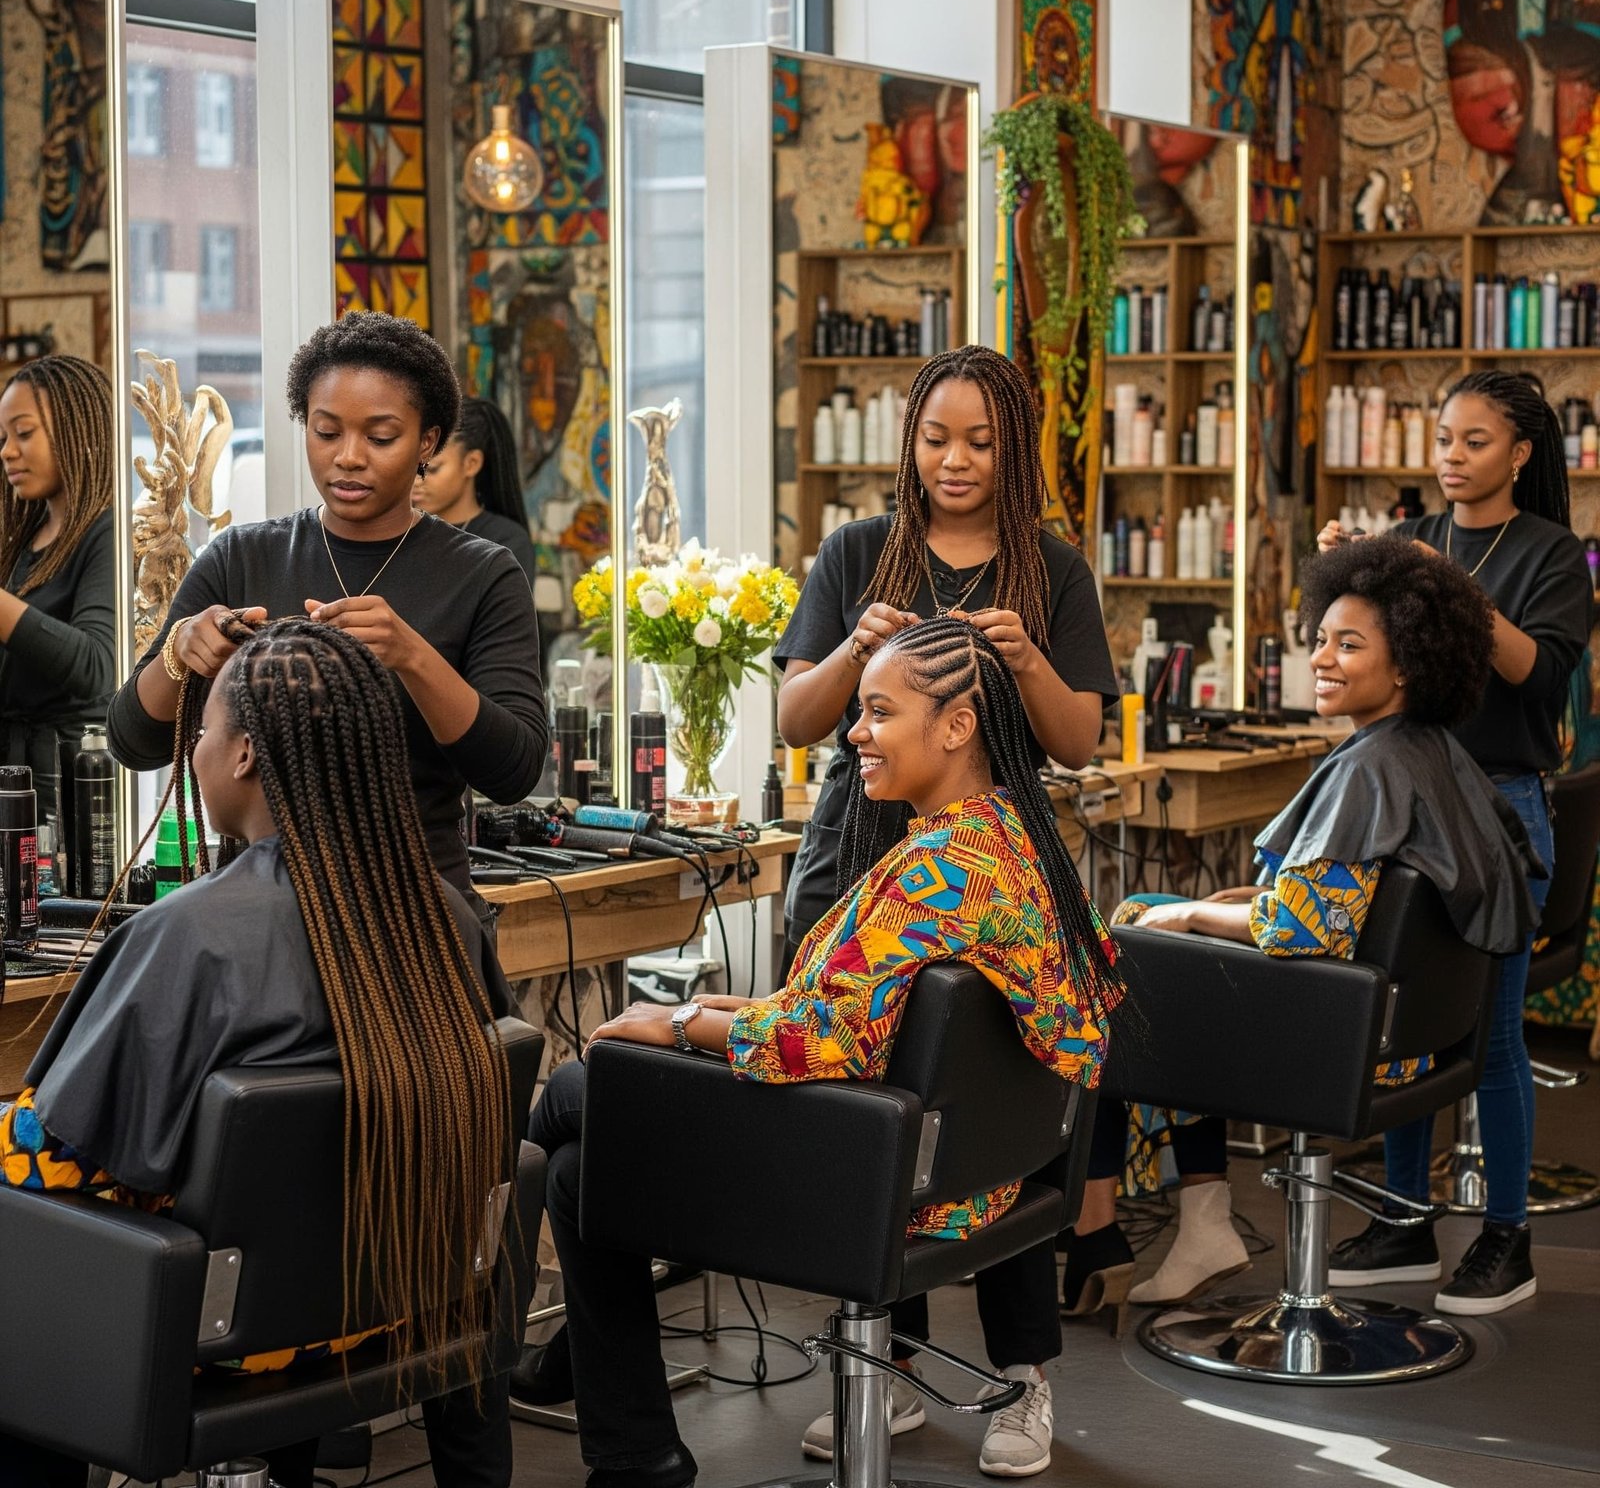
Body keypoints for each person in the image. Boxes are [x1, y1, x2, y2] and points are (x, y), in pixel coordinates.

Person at [527, 618, 1122, 1488]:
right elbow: (860, 1014)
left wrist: (685, 1023)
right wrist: (738, 1008)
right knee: (583, 1173)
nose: (854, 735)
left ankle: (553, 1387)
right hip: (975, 1173)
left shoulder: (936, 873)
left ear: (956, 727)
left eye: (878, 713)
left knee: (583, 1088)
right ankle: (617, 1432)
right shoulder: (1013, 845)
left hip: (871, 1183)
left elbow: (821, 1038)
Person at [0, 619, 518, 1488]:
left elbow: (55, 1166)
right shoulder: (446, 918)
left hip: (220, 1335)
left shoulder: (190, 937)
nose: (194, 749)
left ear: (241, 756)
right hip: (376, 1305)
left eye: (201, 731)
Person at [771, 345, 1116, 1478]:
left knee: (990, 1111)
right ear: (908, 440)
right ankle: (891, 1365)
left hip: (986, 877)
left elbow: (1077, 742)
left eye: (979, 439)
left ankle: (1023, 1376)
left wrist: (1027, 670)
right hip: (856, 855)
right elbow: (794, 716)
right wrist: (856, 651)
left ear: (1013, 448)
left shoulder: (1051, 570)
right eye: (936, 437)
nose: (955, 460)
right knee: (862, 1114)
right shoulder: (856, 553)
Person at [1063, 536, 1542, 1319]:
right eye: (1320, 637)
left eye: (1350, 644)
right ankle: (1194, 1222)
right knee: (1153, 930)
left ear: (1408, 666)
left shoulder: (1368, 771)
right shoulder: (1432, 755)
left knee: (1115, 978)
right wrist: (1210, 908)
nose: (1322, 657)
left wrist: (1186, 912)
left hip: (1341, 1044)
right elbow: (1354, 901)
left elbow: (1300, 929)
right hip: (1414, 1034)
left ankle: (1106, 1234)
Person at [1316, 369, 1590, 1314]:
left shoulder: (1554, 555)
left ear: (1519, 453)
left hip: (1502, 816)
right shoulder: (1418, 543)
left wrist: (1429, 587)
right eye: (1443, 439)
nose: (1452, 457)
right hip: (1413, 808)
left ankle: (1505, 1237)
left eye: (1474, 441)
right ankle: (1403, 1217)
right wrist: (1358, 578)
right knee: (1409, 1030)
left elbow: (1534, 674)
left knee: (1492, 1037)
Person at [107, 312, 547, 897]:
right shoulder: (240, 558)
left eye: (381, 437)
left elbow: (513, 769)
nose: (349, 456)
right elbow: (131, 741)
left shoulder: (482, 574)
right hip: (259, 915)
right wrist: (180, 654)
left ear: (429, 442)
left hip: (418, 920)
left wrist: (412, 656)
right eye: (327, 431)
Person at [0, 354, 116, 828]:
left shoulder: (105, 534)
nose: (7, 451)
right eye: (4, 437)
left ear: (76, 432)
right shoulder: (26, 542)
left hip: (63, 799)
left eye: (23, 433)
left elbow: (96, 667)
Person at [414, 395, 537, 586]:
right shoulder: (399, 531)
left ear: (471, 463)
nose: (415, 480)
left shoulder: (505, 542)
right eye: (410, 467)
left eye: (432, 469)